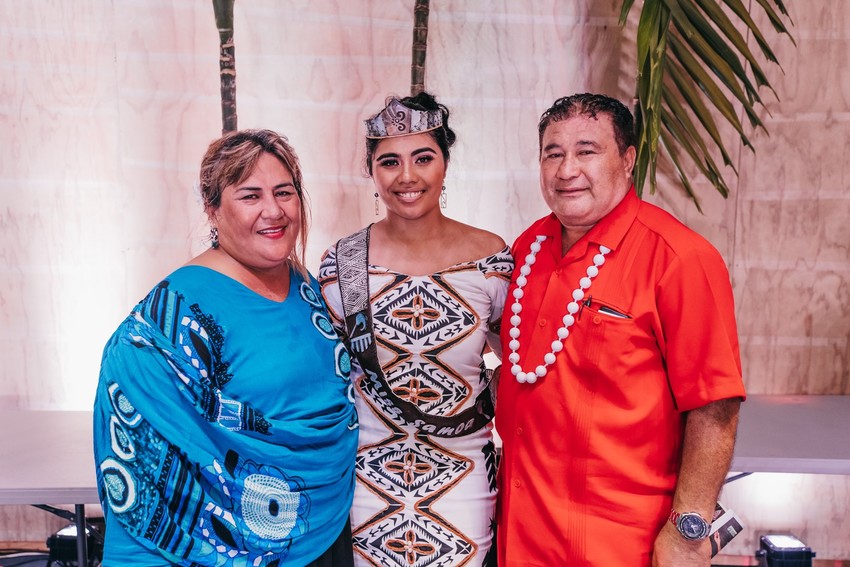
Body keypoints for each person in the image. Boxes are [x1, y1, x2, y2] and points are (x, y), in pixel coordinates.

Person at [495, 93, 746, 566]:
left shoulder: (680, 258)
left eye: (587, 151)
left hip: (620, 542)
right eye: (553, 153)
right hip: (521, 533)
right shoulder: (528, 248)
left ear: (628, 160)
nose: (566, 169)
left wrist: (687, 532)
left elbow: (715, 406)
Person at [93, 129, 359, 566]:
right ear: (213, 209)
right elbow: (142, 447)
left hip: (328, 529)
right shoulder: (179, 309)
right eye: (250, 196)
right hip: (234, 550)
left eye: (284, 192)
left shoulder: (303, 283)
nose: (273, 211)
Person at [318, 93, 513, 567]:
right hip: (367, 483)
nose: (407, 177)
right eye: (390, 162)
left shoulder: (490, 260)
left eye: (423, 158)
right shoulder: (342, 264)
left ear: (445, 163)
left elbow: (520, 361)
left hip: (463, 477)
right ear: (372, 172)